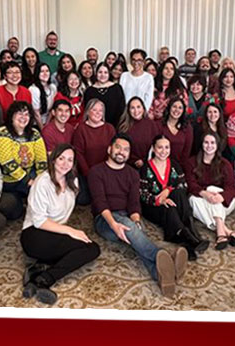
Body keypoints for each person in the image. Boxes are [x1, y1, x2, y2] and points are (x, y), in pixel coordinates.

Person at [89, 134, 186, 297]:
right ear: (109, 149)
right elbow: (100, 203)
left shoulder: (133, 174)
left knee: (136, 236)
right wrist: (115, 225)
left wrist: (136, 220)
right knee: (133, 231)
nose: (121, 152)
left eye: (126, 150)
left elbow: (134, 204)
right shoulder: (96, 171)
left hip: (127, 217)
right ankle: (163, 257)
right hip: (104, 220)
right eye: (118, 147)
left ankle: (163, 277)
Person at [20, 145, 100, 305]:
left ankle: (38, 274)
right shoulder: (42, 182)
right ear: (54, 159)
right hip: (33, 234)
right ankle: (44, 279)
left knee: (92, 249)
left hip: (55, 232)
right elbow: (39, 221)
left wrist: (67, 233)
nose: (65, 163)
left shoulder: (73, 181)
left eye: (70, 159)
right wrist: (69, 231)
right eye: (61, 158)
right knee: (85, 248)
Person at [139, 135, 208, 260]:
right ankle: (187, 239)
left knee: (179, 193)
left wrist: (167, 190)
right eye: (160, 147)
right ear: (153, 149)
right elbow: (142, 194)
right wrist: (159, 200)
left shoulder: (174, 164)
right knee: (169, 207)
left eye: (167, 147)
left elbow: (183, 185)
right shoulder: (145, 168)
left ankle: (190, 231)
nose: (163, 151)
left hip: (173, 202)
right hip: (153, 207)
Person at [186, 132, 235, 250]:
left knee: (212, 189)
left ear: (217, 145)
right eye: (206, 142)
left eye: (212, 143)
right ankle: (225, 230)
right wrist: (204, 194)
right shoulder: (192, 162)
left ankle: (220, 233)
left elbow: (231, 188)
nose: (209, 146)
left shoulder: (225, 164)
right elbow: (191, 185)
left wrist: (221, 197)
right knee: (193, 200)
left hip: (224, 203)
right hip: (202, 201)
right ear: (201, 144)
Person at [0, 101, 47, 203]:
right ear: (11, 115)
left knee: (47, 189)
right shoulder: (1, 133)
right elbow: (7, 163)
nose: (23, 117)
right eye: (20, 113)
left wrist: (41, 179)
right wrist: (29, 182)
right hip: (9, 179)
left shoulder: (34, 133)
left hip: (31, 174)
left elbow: (41, 159)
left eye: (27, 114)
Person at [72, 99, 117, 204]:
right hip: (87, 171)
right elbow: (78, 153)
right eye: (94, 110)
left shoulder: (109, 128)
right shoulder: (81, 129)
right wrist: (88, 173)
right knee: (83, 200)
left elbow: (114, 150)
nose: (98, 113)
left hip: (106, 171)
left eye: (100, 111)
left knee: (110, 197)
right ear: (88, 111)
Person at [119, 97, 159, 168]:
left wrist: (144, 160)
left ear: (143, 108)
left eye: (138, 107)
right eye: (132, 108)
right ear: (128, 110)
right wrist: (134, 160)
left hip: (149, 165)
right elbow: (120, 147)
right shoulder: (123, 127)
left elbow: (157, 145)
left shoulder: (151, 125)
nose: (136, 111)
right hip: (127, 165)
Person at [158, 98, 194, 172]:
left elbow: (187, 151)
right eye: (174, 106)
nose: (177, 110)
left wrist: (178, 168)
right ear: (169, 108)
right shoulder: (159, 125)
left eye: (180, 108)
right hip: (159, 165)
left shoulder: (187, 128)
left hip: (179, 167)